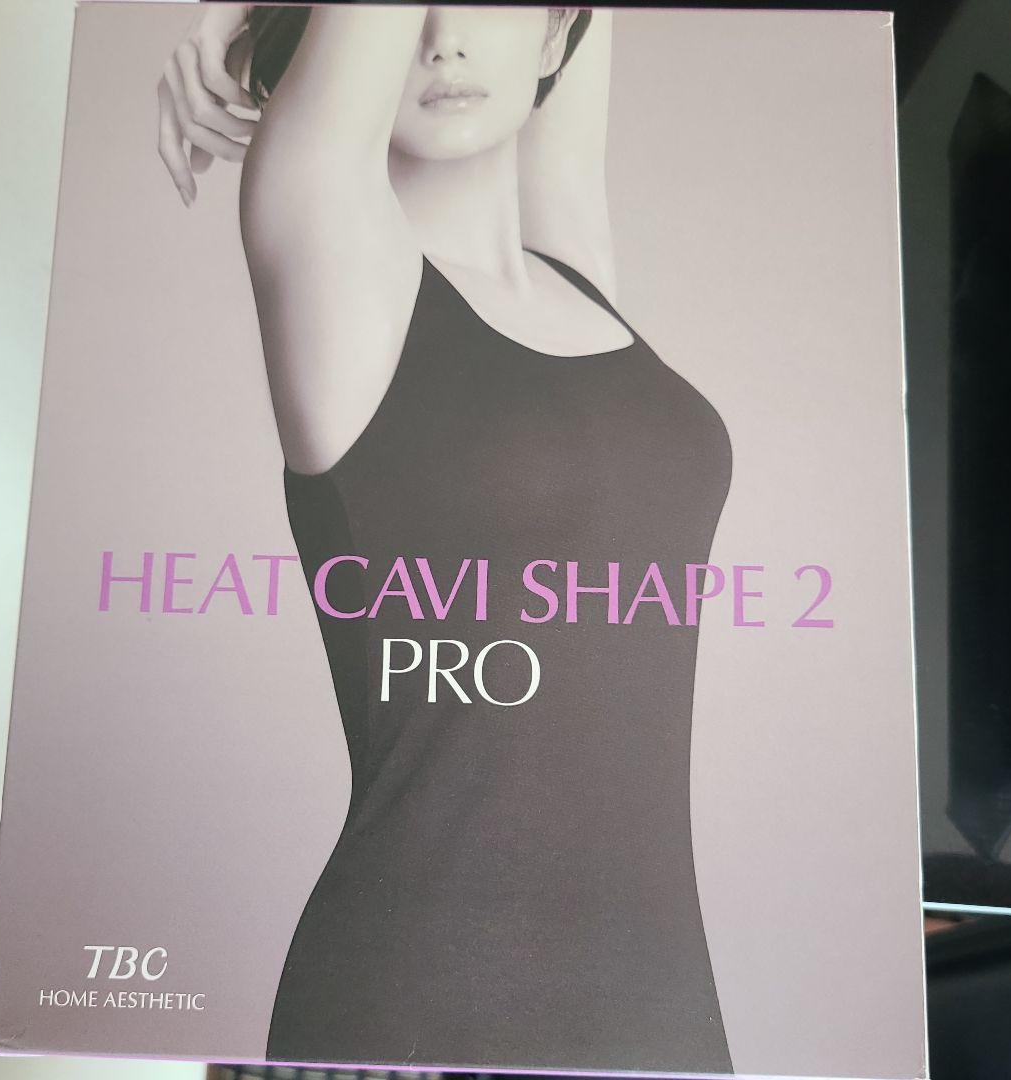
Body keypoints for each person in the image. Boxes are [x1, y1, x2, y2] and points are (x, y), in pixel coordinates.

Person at [157, 5, 734, 1073]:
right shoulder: (329, 250)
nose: (446, 38)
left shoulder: (568, 263)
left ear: (555, 37)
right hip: (413, 1020)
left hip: (658, 1019)